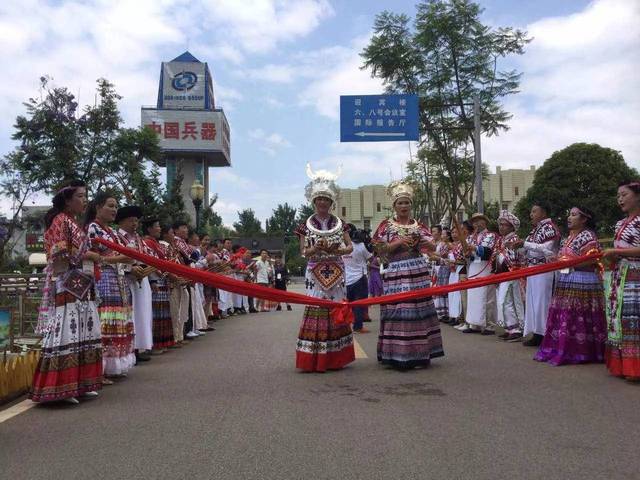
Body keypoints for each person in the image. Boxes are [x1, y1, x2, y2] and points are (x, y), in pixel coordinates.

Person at [30, 180, 103, 404]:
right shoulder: (60, 221)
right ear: (67, 201)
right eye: (80, 196)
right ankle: (62, 386)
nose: (84, 201)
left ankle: (80, 383)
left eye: (85, 196)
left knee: (84, 329)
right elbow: (60, 253)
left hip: (80, 284)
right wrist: (88, 255)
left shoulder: (70, 222)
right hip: (67, 285)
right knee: (67, 330)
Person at [372, 181, 443, 370]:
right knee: (400, 308)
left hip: (418, 271)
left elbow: (433, 246)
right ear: (394, 206)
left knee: (419, 309)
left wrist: (421, 242)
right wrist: (399, 242)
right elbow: (379, 249)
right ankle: (397, 353)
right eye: (400, 203)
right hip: (396, 271)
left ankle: (420, 353)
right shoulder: (386, 226)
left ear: (412, 205)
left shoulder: (419, 225)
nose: (404, 206)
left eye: (407, 203)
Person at [294, 165, 355, 372]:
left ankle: (336, 357)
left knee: (336, 306)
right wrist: (315, 248)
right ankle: (314, 357)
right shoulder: (305, 225)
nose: (322, 202)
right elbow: (302, 252)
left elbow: (350, 248)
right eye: (319, 199)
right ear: (313, 201)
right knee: (317, 306)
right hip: (314, 271)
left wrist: (337, 249)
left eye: (326, 199)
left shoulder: (341, 224)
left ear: (331, 202)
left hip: (337, 270)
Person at [535, 207, 605, 365]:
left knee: (578, 315)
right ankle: (564, 348)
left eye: (574, 215)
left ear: (584, 219)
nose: (569, 217)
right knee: (566, 315)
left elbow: (593, 259)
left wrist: (571, 262)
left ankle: (582, 351)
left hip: (582, 280)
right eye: (569, 214)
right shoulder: (568, 237)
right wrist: (557, 260)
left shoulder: (588, 236)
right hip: (567, 279)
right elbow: (563, 258)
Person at [86, 192, 136, 379]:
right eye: (110, 205)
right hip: (103, 279)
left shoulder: (111, 232)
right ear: (98, 207)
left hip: (118, 279)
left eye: (116, 206)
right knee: (106, 322)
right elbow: (90, 257)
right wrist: (121, 258)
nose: (114, 210)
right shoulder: (93, 228)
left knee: (119, 322)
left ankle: (115, 365)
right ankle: (102, 368)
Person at [602, 181, 640, 381]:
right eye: (618, 195)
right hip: (620, 276)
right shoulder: (620, 223)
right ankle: (624, 366)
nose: (620, 199)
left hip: (636, 276)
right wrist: (613, 257)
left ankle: (635, 367)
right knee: (620, 319)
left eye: (624, 194)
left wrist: (616, 251)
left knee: (634, 320)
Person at [509, 202, 560, 347]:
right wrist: (517, 247)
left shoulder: (550, 228)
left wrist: (524, 244)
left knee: (543, 303)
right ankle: (537, 333)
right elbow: (529, 251)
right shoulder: (535, 230)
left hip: (545, 269)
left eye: (534, 211)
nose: (531, 215)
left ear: (543, 213)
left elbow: (547, 249)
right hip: (533, 268)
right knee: (533, 303)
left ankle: (546, 334)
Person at [117, 205, 153, 360]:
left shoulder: (139, 239)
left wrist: (146, 268)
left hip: (142, 279)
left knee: (143, 312)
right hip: (126, 279)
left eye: (136, 221)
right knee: (131, 313)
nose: (135, 224)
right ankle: (131, 347)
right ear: (122, 221)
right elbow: (114, 257)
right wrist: (130, 268)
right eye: (131, 220)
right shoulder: (117, 237)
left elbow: (148, 255)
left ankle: (141, 346)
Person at [142, 217, 176, 353]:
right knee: (157, 313)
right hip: (155, 278)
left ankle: (162, 342)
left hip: (161, 278)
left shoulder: (155, 243)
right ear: (149, 228)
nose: (159, 228)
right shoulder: (147, 242)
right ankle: (156, 344)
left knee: (162, 312)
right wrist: (158, 276)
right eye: (157, 226)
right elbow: (151, 261)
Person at [461, 213, 497, 335]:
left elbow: (489, 252)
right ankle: (474, 323)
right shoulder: (471, 237)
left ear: (485, 222)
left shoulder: (491, 235)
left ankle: (490, 325)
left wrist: (474, 249)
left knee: (487, 296)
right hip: (473, 267)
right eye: (474, 221)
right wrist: (467, 253)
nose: (477, 223)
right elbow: (467, 253)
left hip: (485, 266)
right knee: (473, 296)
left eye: (479, 220)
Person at [493, 211, 526, 342]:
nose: (501, 227)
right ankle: (509, 328)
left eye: (504, 225)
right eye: (500, 224)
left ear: (512, 227)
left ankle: (516, 329)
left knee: (508, 300)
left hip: (512, 274)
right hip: (503, 274)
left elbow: (518, 256)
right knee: (504, 301)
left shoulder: (514, 239)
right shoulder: (501, 240)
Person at [160, 226, 188, 346]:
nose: (173, 235)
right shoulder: (163, 246)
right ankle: (175, 337)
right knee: (174, 310)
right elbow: (165, 265)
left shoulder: (174, 247)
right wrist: (174, 277)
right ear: (165, 235)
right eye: (172, 232)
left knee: (181, 309)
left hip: (180, 280)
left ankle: (179, 335)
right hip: (171, 281)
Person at [342, 226, 373, 333]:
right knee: (359, 304)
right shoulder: (361, 246)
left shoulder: (342, 247)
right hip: (359, 278)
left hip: (345, 280)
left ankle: (344, 325)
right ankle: (358, 327)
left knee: (346, 303)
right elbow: (371, 258)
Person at [447, 223, 467, 327]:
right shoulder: (451, 246)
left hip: (460, 270)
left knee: (459, 296)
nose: (454, 234)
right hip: (452, 272)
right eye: (453, 232)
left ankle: (461, 318)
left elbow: (464, 260)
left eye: (456, 232)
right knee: (453, 295)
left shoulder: (462, 244)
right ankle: (454, 316)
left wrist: (455, 262)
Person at [430, 225, 451, 323]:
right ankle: (439, 312)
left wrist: (434, 255)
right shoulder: (433, 243)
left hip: (443, 268)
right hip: (435, 269)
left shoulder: (446, 244)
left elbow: (444, 255)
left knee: (443, 291)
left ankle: (445, 313)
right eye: (432, 231)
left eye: (435, 231)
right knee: (436, 290)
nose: (433, 233)